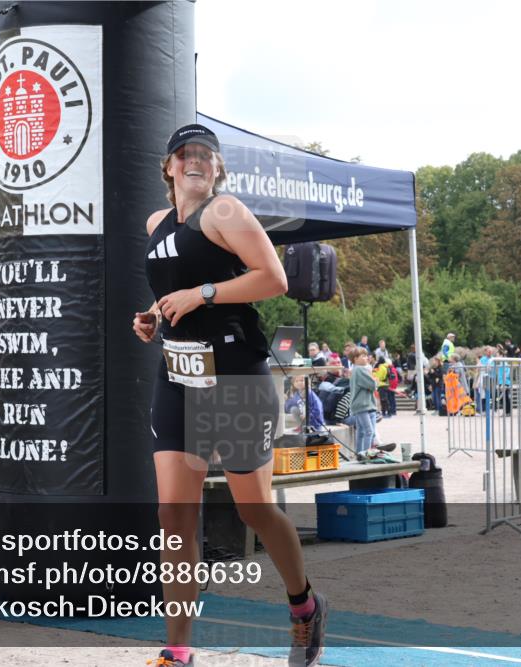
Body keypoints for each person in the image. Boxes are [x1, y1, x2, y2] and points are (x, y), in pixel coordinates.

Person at [132, 124, 325, 667]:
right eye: (184, 154)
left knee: (254, 509)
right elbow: (173, 289)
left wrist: (202, 294)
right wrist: (153, 316)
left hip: (236, 376)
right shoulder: (156, 223)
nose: (195, 161)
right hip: (179, 376)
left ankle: (304, 606)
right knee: (174, 516)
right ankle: (178, 651)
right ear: (169, 166)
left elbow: (274, 278)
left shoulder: (225, 211)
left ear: (217, 168)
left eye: (206, 155)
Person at [346, 347, 378, 454]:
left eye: (366, 355)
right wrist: (375, 380)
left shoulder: (355, 370)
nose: (366, 358)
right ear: (355, 359)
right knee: (369, 431)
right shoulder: (360, 370)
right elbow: (372, 385)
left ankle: (359, 454)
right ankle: (367, 455)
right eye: (363, 356)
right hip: (363, 405)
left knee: (361, 432)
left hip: (359, 405)